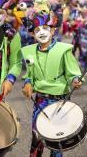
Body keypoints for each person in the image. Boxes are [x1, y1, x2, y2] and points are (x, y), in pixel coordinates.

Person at [21, 9, 82, 157]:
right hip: (40, 100)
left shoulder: (63, 50)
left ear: (53, 30)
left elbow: (72, 72)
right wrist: (28, 83)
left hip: (60, 101)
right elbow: (29, 75)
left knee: (56, 140)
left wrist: (74, 80)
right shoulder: (29, 51)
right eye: (37, 30)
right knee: (37, 137)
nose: (41, 32)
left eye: (46, 28)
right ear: (32, 34)